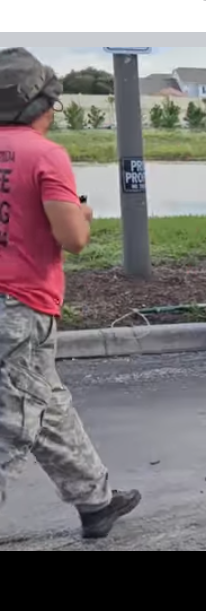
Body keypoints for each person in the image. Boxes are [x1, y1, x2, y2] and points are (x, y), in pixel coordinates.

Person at [0, 47, 139, 542]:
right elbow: (72, 240)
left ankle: (95, 501)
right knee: (11, 423)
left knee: (47, 407)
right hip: (18, 309)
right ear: (40, 103)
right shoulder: (45, 154)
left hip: (13, 309)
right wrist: (82, 215)